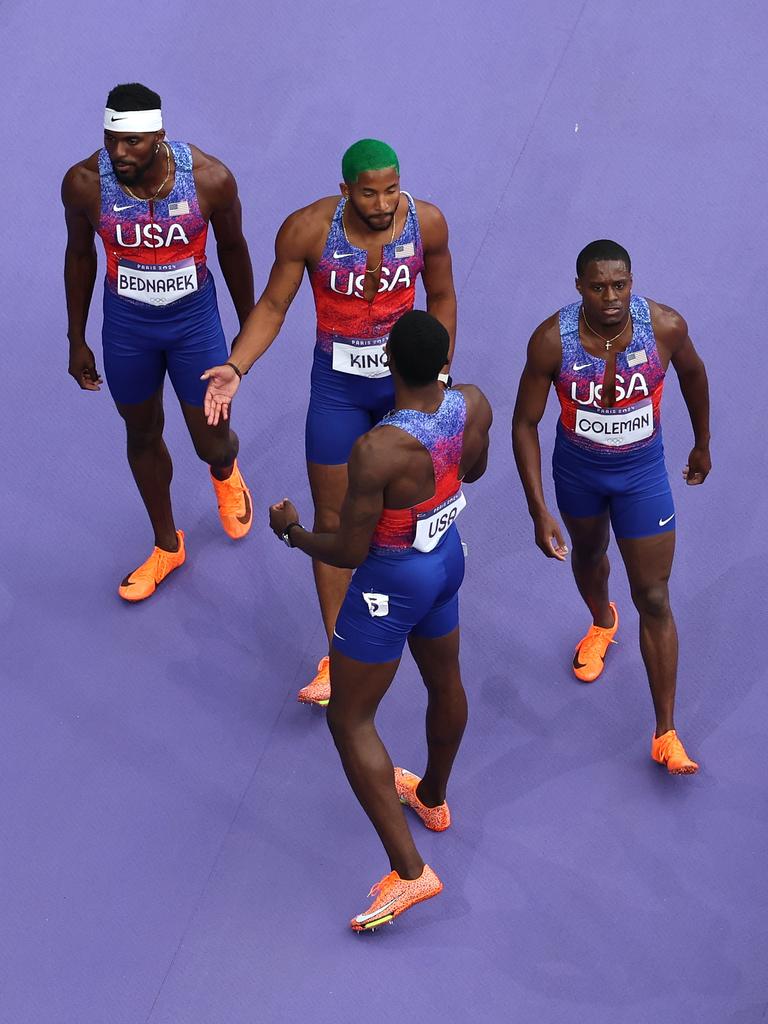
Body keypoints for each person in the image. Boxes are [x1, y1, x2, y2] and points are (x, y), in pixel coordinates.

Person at [203, 139, 456, 703]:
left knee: (408, 516)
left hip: (401, 390)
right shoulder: (308, 230)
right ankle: (341, 656)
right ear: (346, 191)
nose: (384, 203)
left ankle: (415, 618)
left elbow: (441, 296)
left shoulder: (428, 224)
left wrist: (437, 375)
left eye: (392, 189)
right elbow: (272, 306)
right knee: (336, 518)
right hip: (338, 390)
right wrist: (237, 366)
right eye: (370, 193)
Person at [268, 311, 492, 930]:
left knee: (349, 716)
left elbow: (346, 551)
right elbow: (472, 470)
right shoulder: (472, 403)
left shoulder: (377, 450)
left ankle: (411, 874)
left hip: (391, 583)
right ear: (445, 359)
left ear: (389, 362)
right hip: (447, 561)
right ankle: (434, 798)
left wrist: (292, 533)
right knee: (445, 680)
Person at [512, 240, 710, 774]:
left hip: (642, 476)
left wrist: (702, 442)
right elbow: (524, 423)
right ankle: (602, 621)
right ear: (579, 288)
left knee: (654, 595)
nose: (611, 298)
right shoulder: (552, 340)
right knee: (589, 555)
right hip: (578, 475)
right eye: (598, 287)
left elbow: (693, 374)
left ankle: (665, 733)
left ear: (631, 282)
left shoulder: (664, 326)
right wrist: (538, 509)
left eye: (620, 285)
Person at [62, 82, 255, 601]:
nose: (120, 153)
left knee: (211, 439)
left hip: (194, 325)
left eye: (134, 143)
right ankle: (167, 545)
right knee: (141, 433)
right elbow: (80, 256)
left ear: (160, 137)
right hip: (127, 329)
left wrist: (249, 326)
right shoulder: (83, 184)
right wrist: (76, 337)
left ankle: (224, 470)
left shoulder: (210, 180)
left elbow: (233, 248)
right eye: (112, 140)